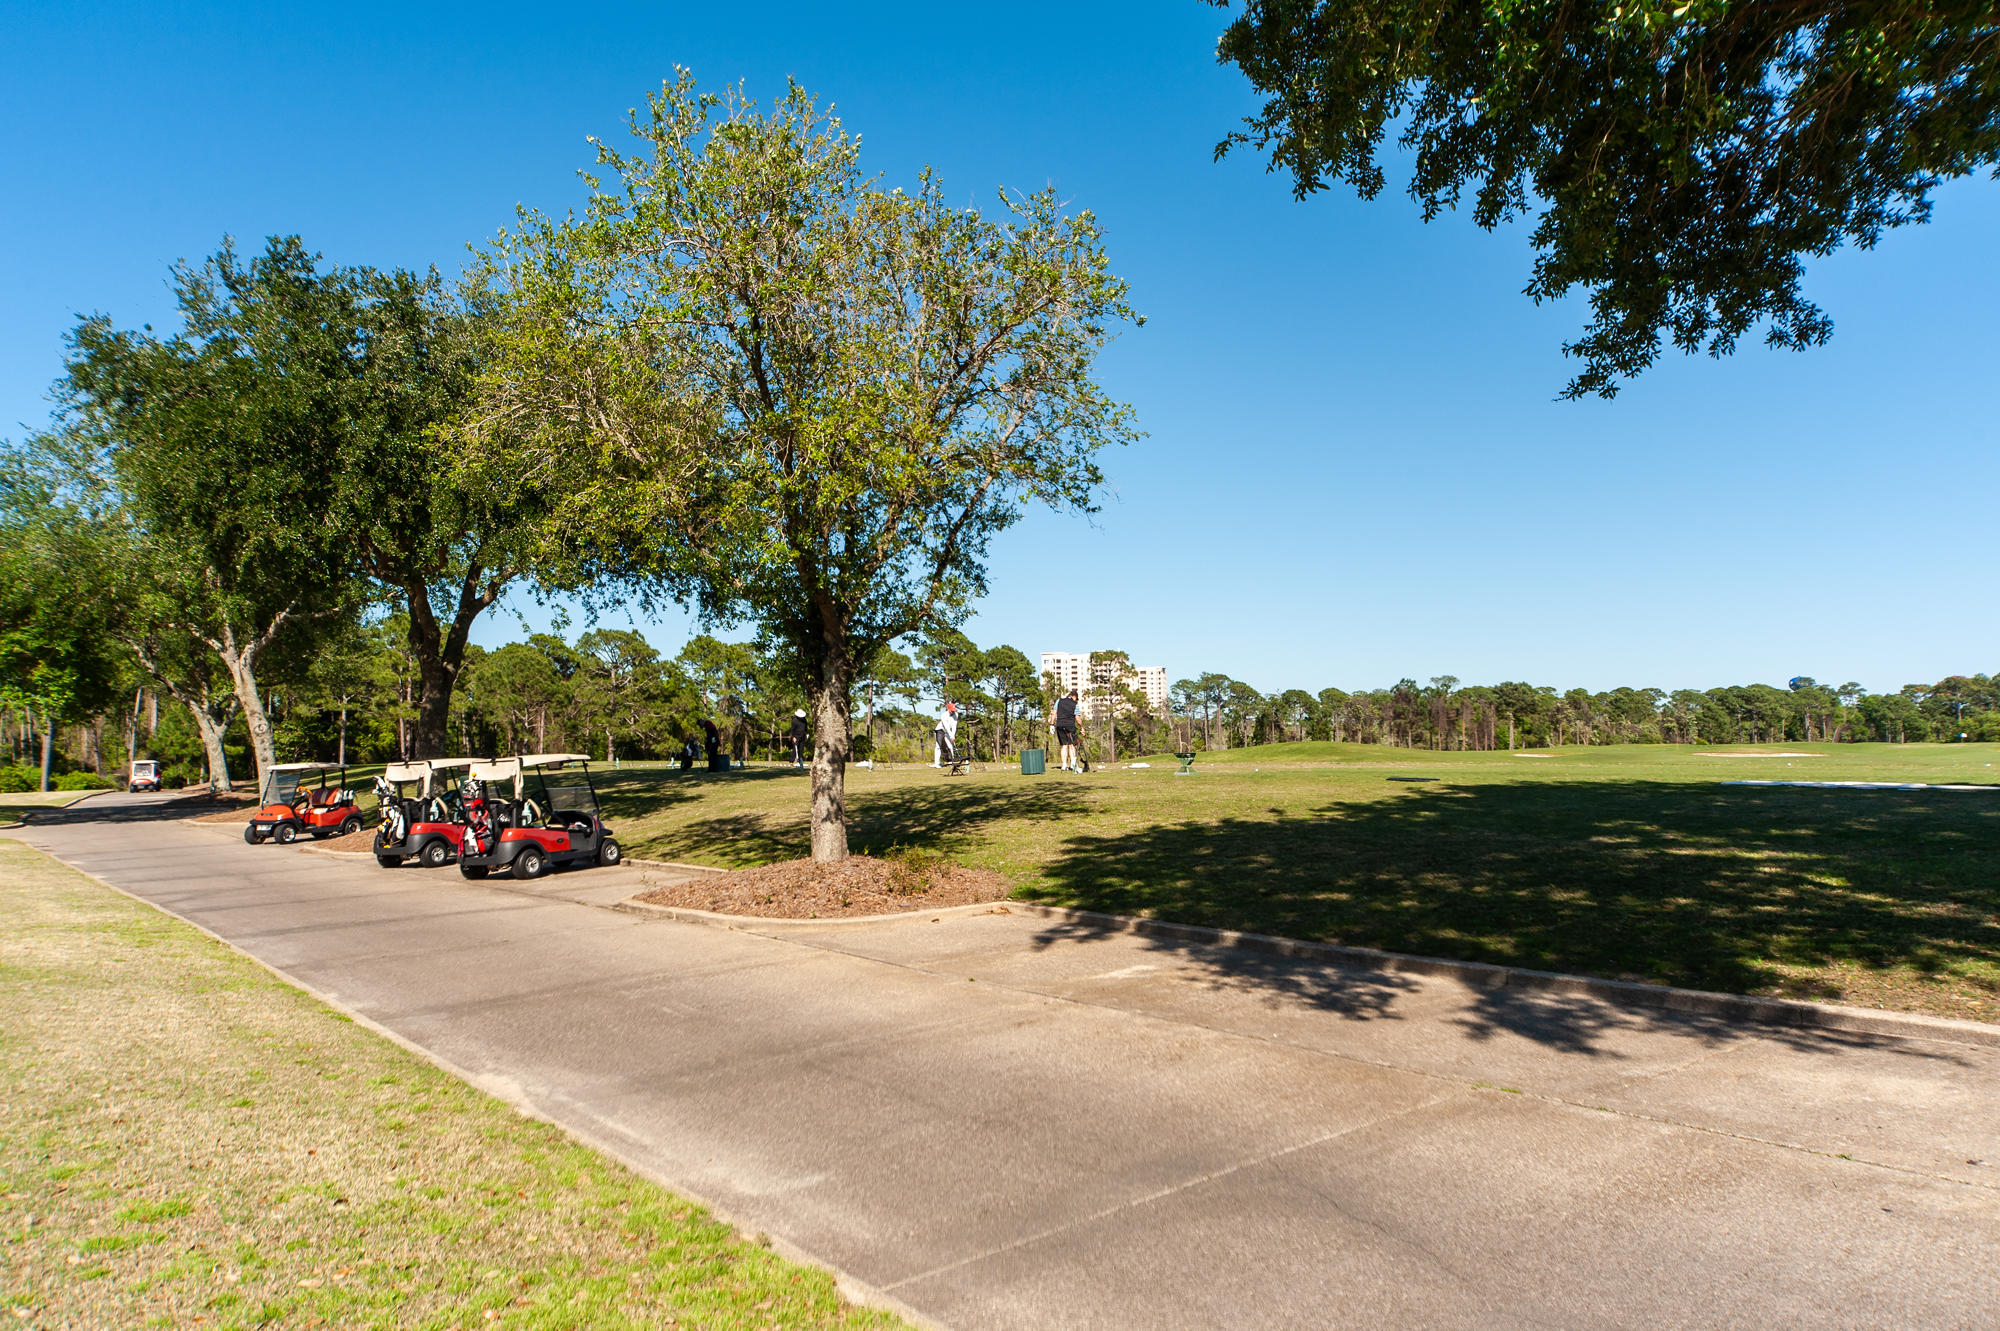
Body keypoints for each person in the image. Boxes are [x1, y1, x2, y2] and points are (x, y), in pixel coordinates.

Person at [1052, 688, 1083, 772]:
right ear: (1073, 696)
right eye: (1076, 699)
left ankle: (1064, 765)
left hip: (1060, 725)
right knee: (1072, 745)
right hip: (1070, 726)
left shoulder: (1059, 701)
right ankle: (1073, 764)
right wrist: (1082, 727)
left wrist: (1051, 724)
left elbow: (1054, 712)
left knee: (1064, 745)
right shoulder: (1074, 704)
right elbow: (1077, 718)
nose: (1076, 700)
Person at [932, 701, 959, 768]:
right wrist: (951, 735)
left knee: (950, 745)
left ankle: (951, 761)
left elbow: (954, 726)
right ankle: (936, 763)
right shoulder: (944, 715)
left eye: (954, 710)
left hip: (948, 732)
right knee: (938, 746)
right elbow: (946, 726)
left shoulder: (956, 714)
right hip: (940, 730)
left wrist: (953, 735)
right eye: (952, 710)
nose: (953, 712)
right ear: (948, 709)